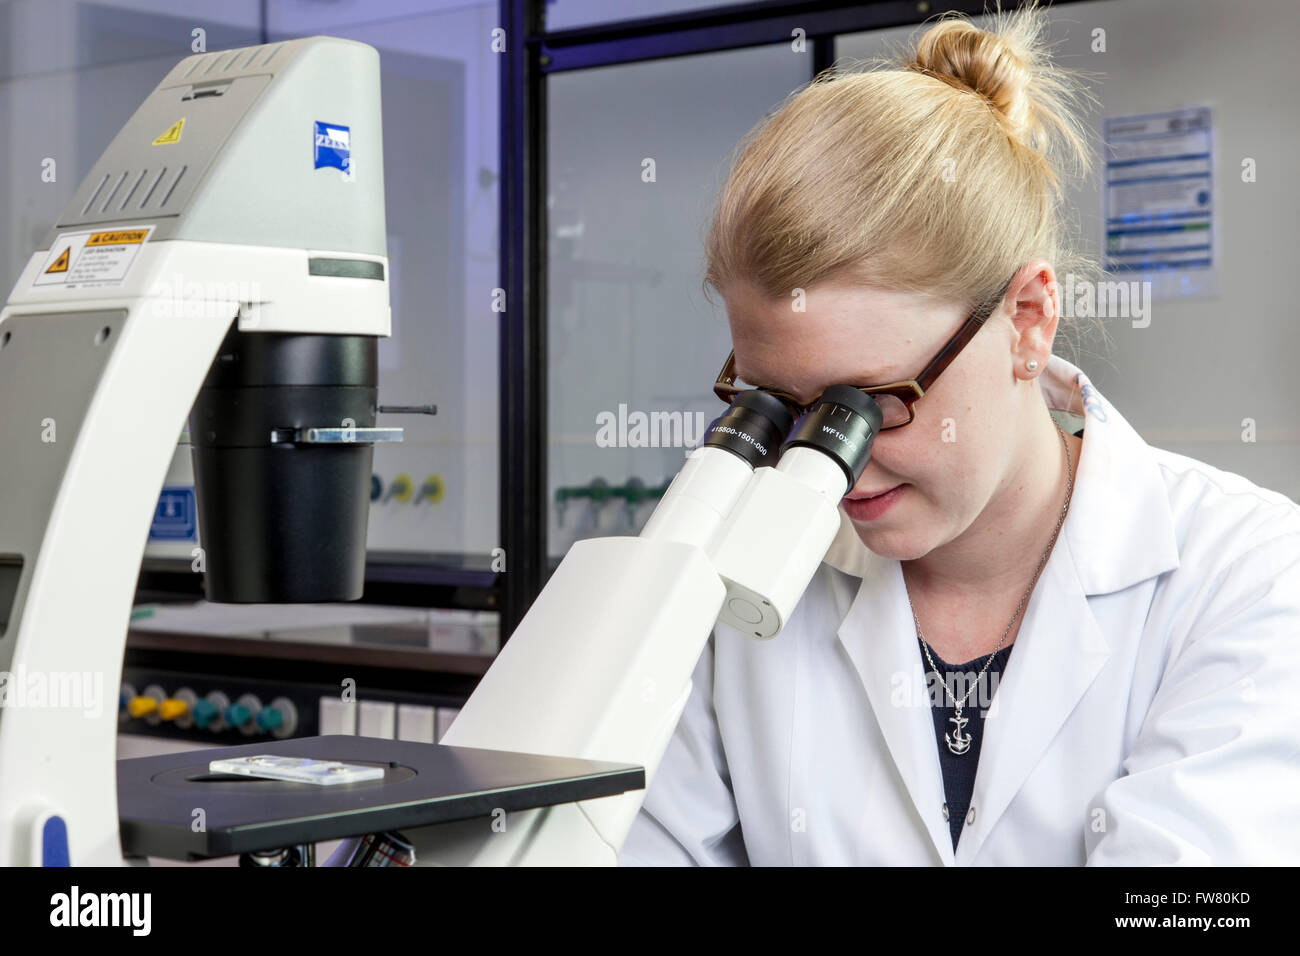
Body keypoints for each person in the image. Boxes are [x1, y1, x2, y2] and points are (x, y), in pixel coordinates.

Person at [618, 3, 1300, 865]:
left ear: (1027, 320)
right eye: (784, 407)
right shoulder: (747, 577)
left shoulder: (1248, 572)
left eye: (869, 401)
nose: (832, 464)